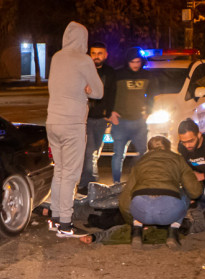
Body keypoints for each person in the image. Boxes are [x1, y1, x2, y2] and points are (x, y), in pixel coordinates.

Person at [46, 21, 103, 238]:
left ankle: (56, 217)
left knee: (59, 171)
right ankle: (66, 224)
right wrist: (87, 89)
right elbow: (98, 92)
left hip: (53, 121)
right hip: (72, 123)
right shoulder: (84, 60)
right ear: (83, 39)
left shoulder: (56, 58)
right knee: (70, 174)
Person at [118, 136, 203, 248]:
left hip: (141, 211)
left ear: (149, 149)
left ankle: (136, 232)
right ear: (168, 148)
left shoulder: (140, 162)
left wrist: (131, 219)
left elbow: (125, 200)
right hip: (168, 211)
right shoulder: (178, 159)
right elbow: (195, 192)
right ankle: (173, 232)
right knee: (185, 193)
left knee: (136, 194)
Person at [109, 47, 155, 184]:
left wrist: (148, 111)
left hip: (139, 122)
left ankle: (139, 180)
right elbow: (109, 93)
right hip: (121, 121)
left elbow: (152, 95)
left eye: (138, 61)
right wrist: (110, 112)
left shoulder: (147, 76)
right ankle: (116, 183)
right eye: (132, 62)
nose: (135, 64)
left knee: (143, 152)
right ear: (127, 62)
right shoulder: (118, 74)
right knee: (118, 155)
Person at [78, 42, 116, 195]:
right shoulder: (83, 71)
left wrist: (109, 113)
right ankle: (88, 183)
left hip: (101, 118)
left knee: (96, 151)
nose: (96, 57)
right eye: (94, 53)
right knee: (90, 150)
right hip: (85, 117)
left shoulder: (110, 72)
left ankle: (87, 182)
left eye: (100, 53)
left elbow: (112, 94)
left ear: (105, 55)